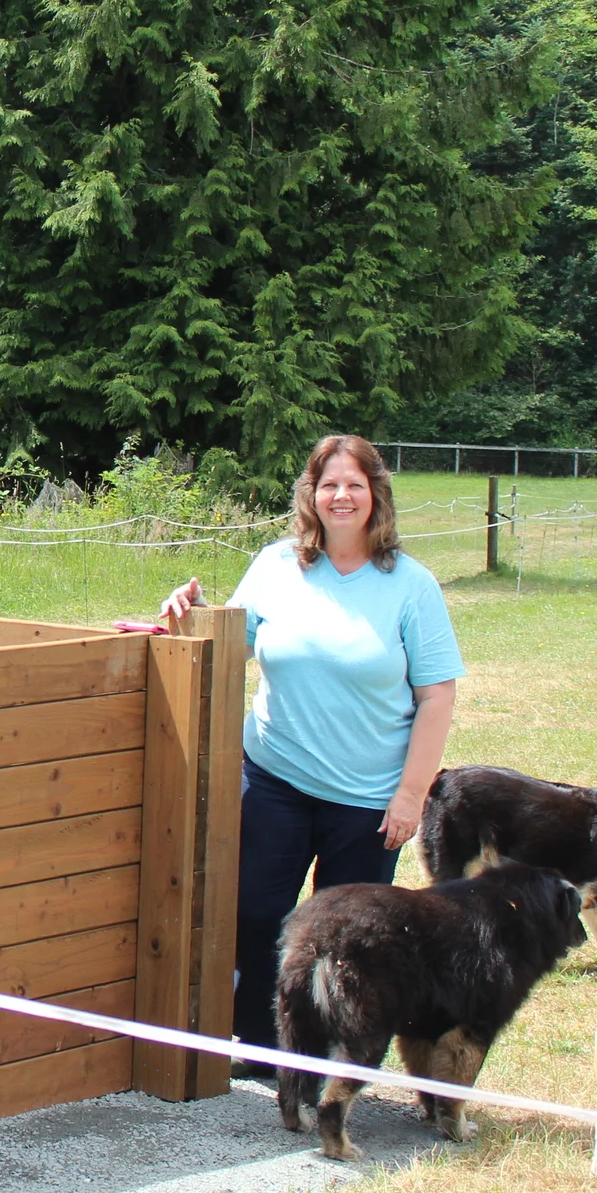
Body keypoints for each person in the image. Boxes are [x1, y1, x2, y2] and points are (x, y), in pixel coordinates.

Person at [160, 433, 464, 1065]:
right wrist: (187, 612)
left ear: (376, 495)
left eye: (355, 483)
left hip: (368, 797)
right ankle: (261, 1044)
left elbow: (436, 695)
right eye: (329, 484)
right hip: (275, 779)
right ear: (312, 495)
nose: (341, 496)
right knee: (255, 916)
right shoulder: (277, 565)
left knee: (347, 938)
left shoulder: (410, 585)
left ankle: (331, 1060)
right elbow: (227, 644)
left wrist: (410, 796)